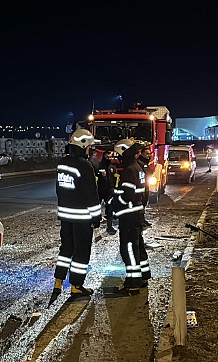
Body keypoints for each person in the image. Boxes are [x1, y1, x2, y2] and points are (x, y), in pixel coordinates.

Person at [49, 129, 101, 306]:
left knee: (66, 249)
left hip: (65, 215)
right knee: (81, 251)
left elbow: (59, 189)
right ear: (83, 145)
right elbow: (91, 195)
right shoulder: (84, 166)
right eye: (90, 146)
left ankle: (58, 281)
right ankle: (76, 285)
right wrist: (96, 217)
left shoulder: (63, 163)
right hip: (82, 218)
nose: (90, 150)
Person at [110, 138, 151, 296]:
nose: (118, 157)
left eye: (120, 154)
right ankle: (143, 277)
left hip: (129, 215)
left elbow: (126, 195)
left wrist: (115, 202)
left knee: (129, 249)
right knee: (138, 246)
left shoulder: (128, 170)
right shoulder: (138, 167)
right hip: (137, 214)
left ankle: (132, 284)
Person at [96, 150, 117, 235]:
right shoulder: (100, 165)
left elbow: (115, 178)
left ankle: (109, 226)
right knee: (97, 206)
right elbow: (97, 174)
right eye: (107, 156)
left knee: (110, 208)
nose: (109, 157)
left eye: (110, 156)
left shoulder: (113, 166)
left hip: (110, 190)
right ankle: (96, 222)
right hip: (101, 189)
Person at [137, 146, 153, 229]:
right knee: (141, 203)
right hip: (142, 186)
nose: (148, 155)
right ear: (142, 154)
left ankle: (143, 220)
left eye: (149, 154)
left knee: (144, 203)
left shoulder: (145, 163)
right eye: (147, 154)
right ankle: (140, 220)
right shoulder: (139, 163)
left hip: (146, 185)